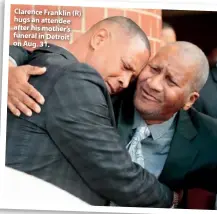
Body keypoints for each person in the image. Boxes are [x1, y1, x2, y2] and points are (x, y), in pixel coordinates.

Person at [6, 16, 175, 207]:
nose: (125, 82)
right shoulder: (76, 79)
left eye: (132, 77)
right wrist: (171, 199)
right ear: (99, 39)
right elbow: (117, 175)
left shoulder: (38, 61)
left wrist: (9, 61)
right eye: (126, 66)